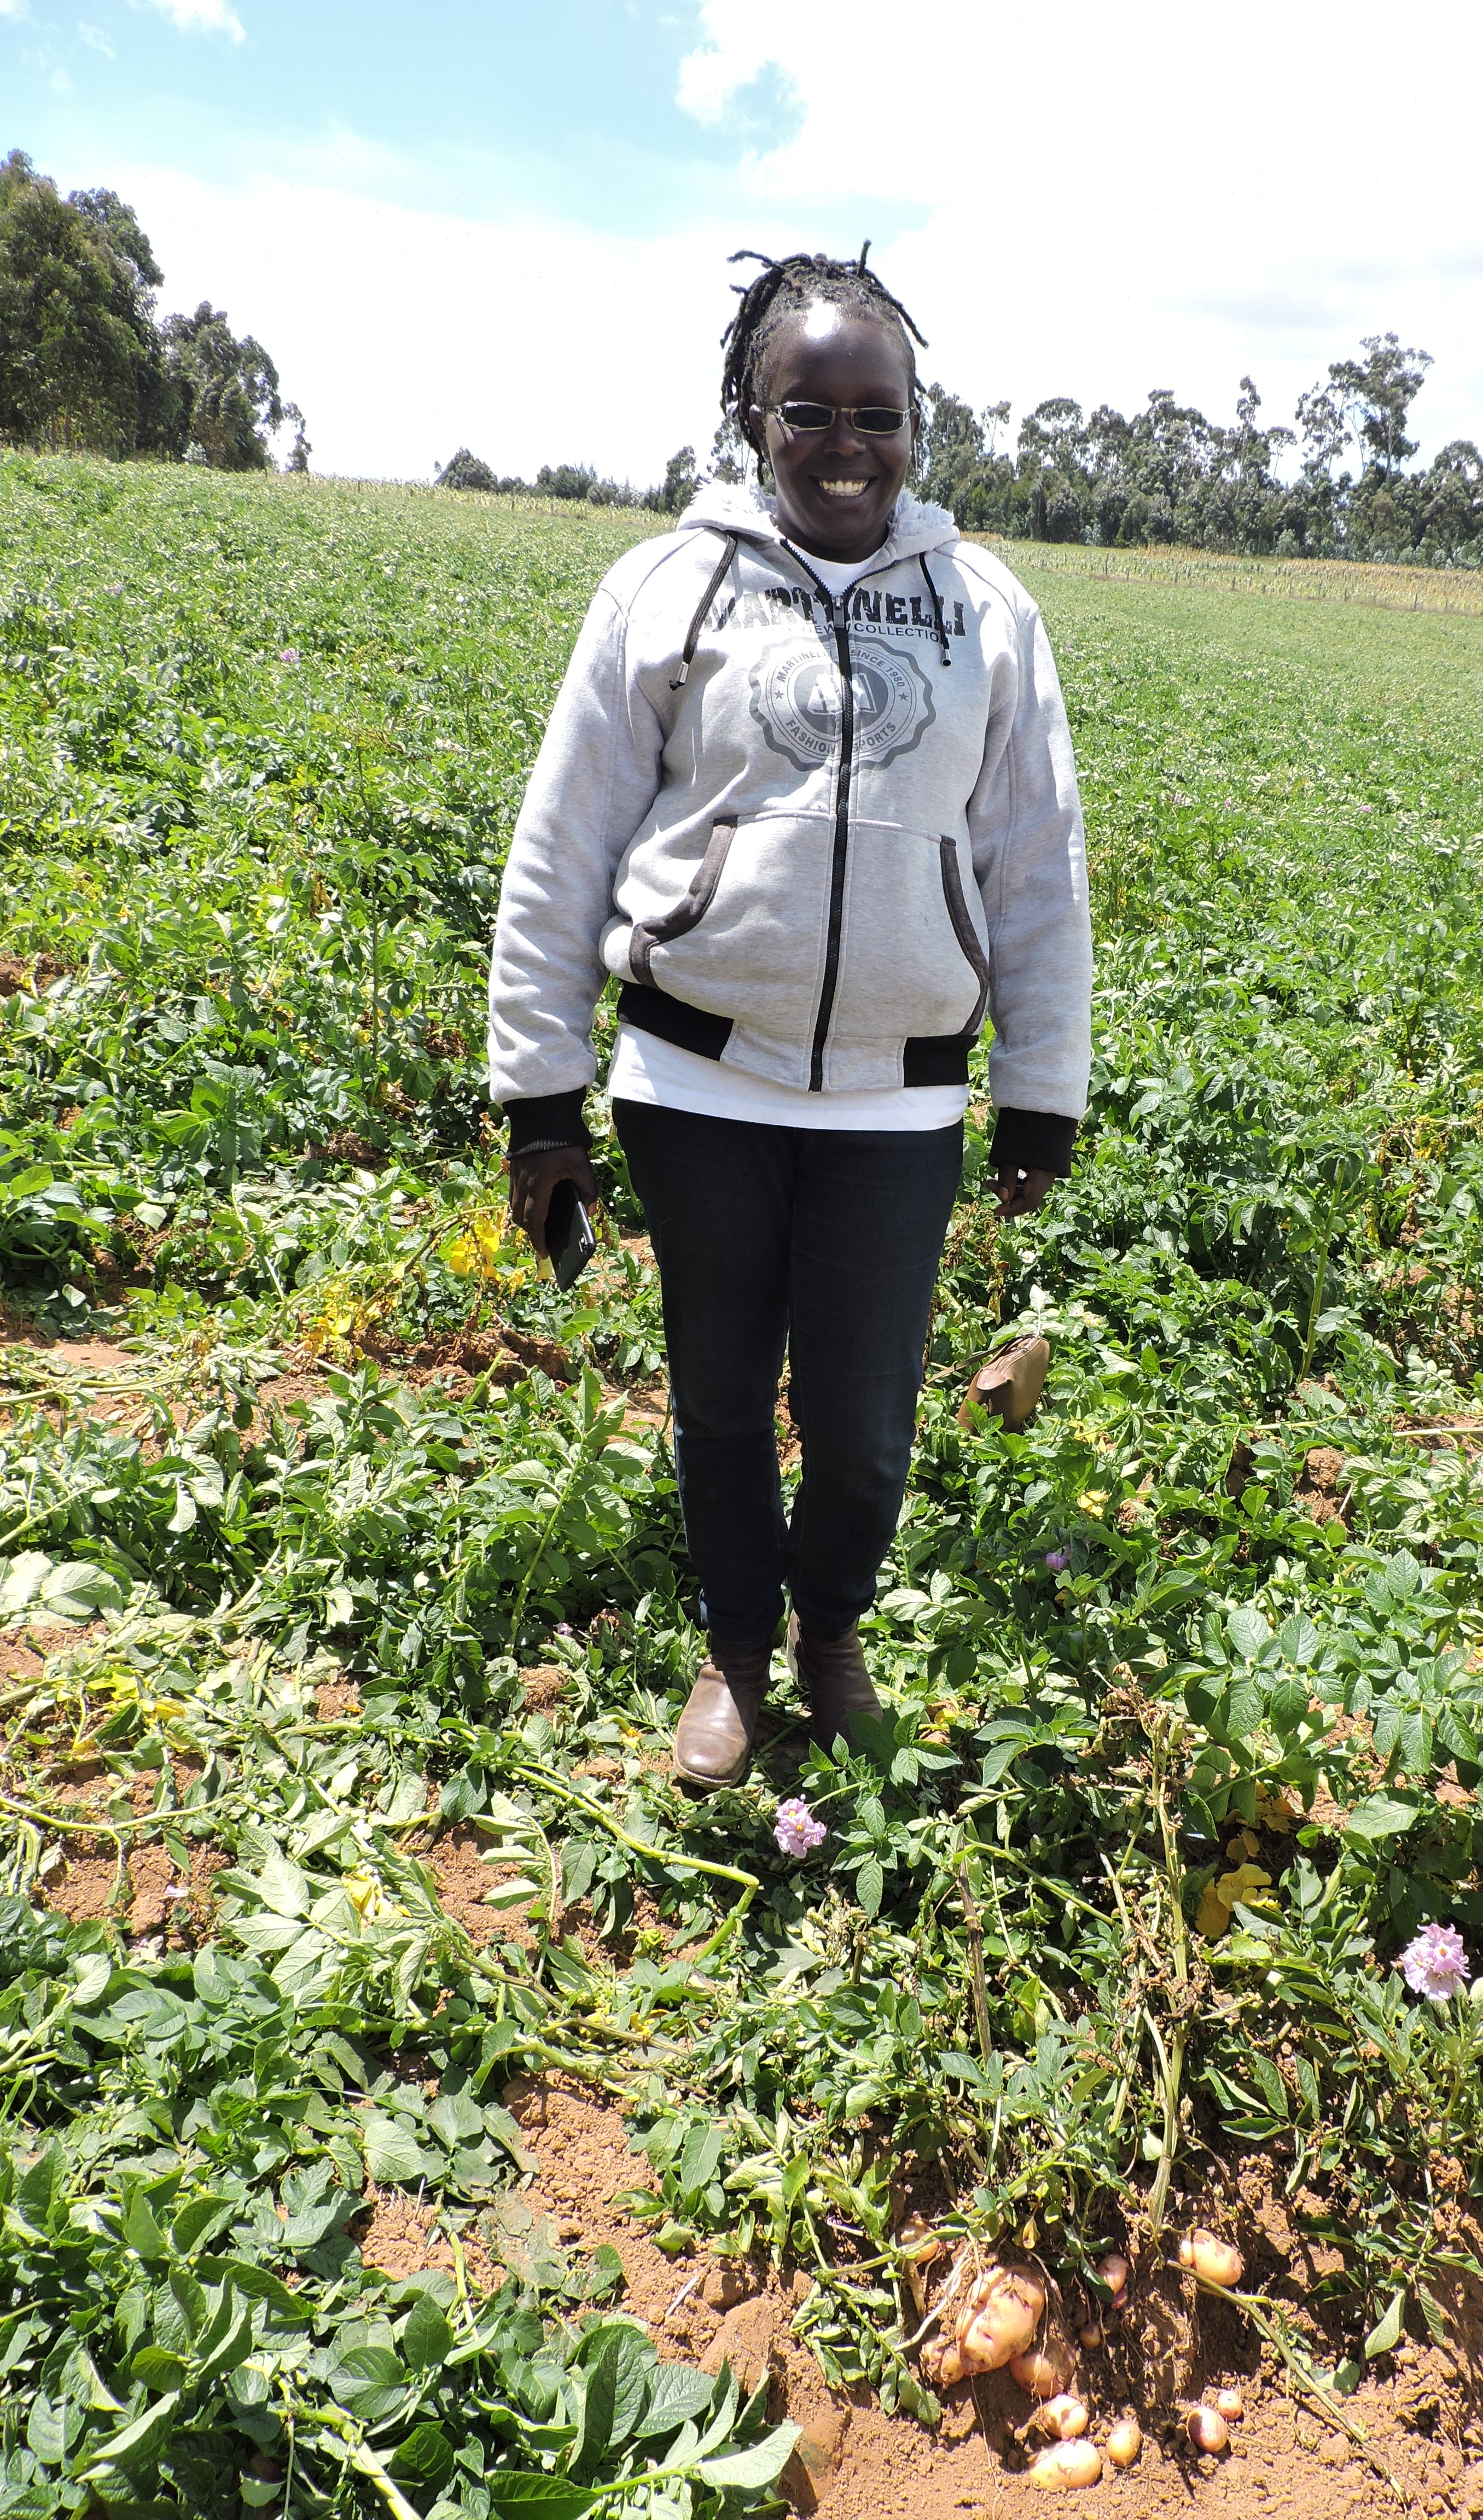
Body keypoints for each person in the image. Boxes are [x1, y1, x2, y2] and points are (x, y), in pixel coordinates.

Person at [486, 246, 1092, 1793]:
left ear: (916, 422)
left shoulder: (987, 613)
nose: (843, 445)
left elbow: (1036, 862)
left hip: (896, 1103)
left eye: (874, 414)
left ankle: (833, 1634)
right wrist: (541, 1097)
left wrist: (1044, 1086)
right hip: (697, 1080)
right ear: (752, 416)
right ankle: (740, 1657)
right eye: (806, 411)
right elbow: (562, 844)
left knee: (866, 1414)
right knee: (720, 1395)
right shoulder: (666, 587)